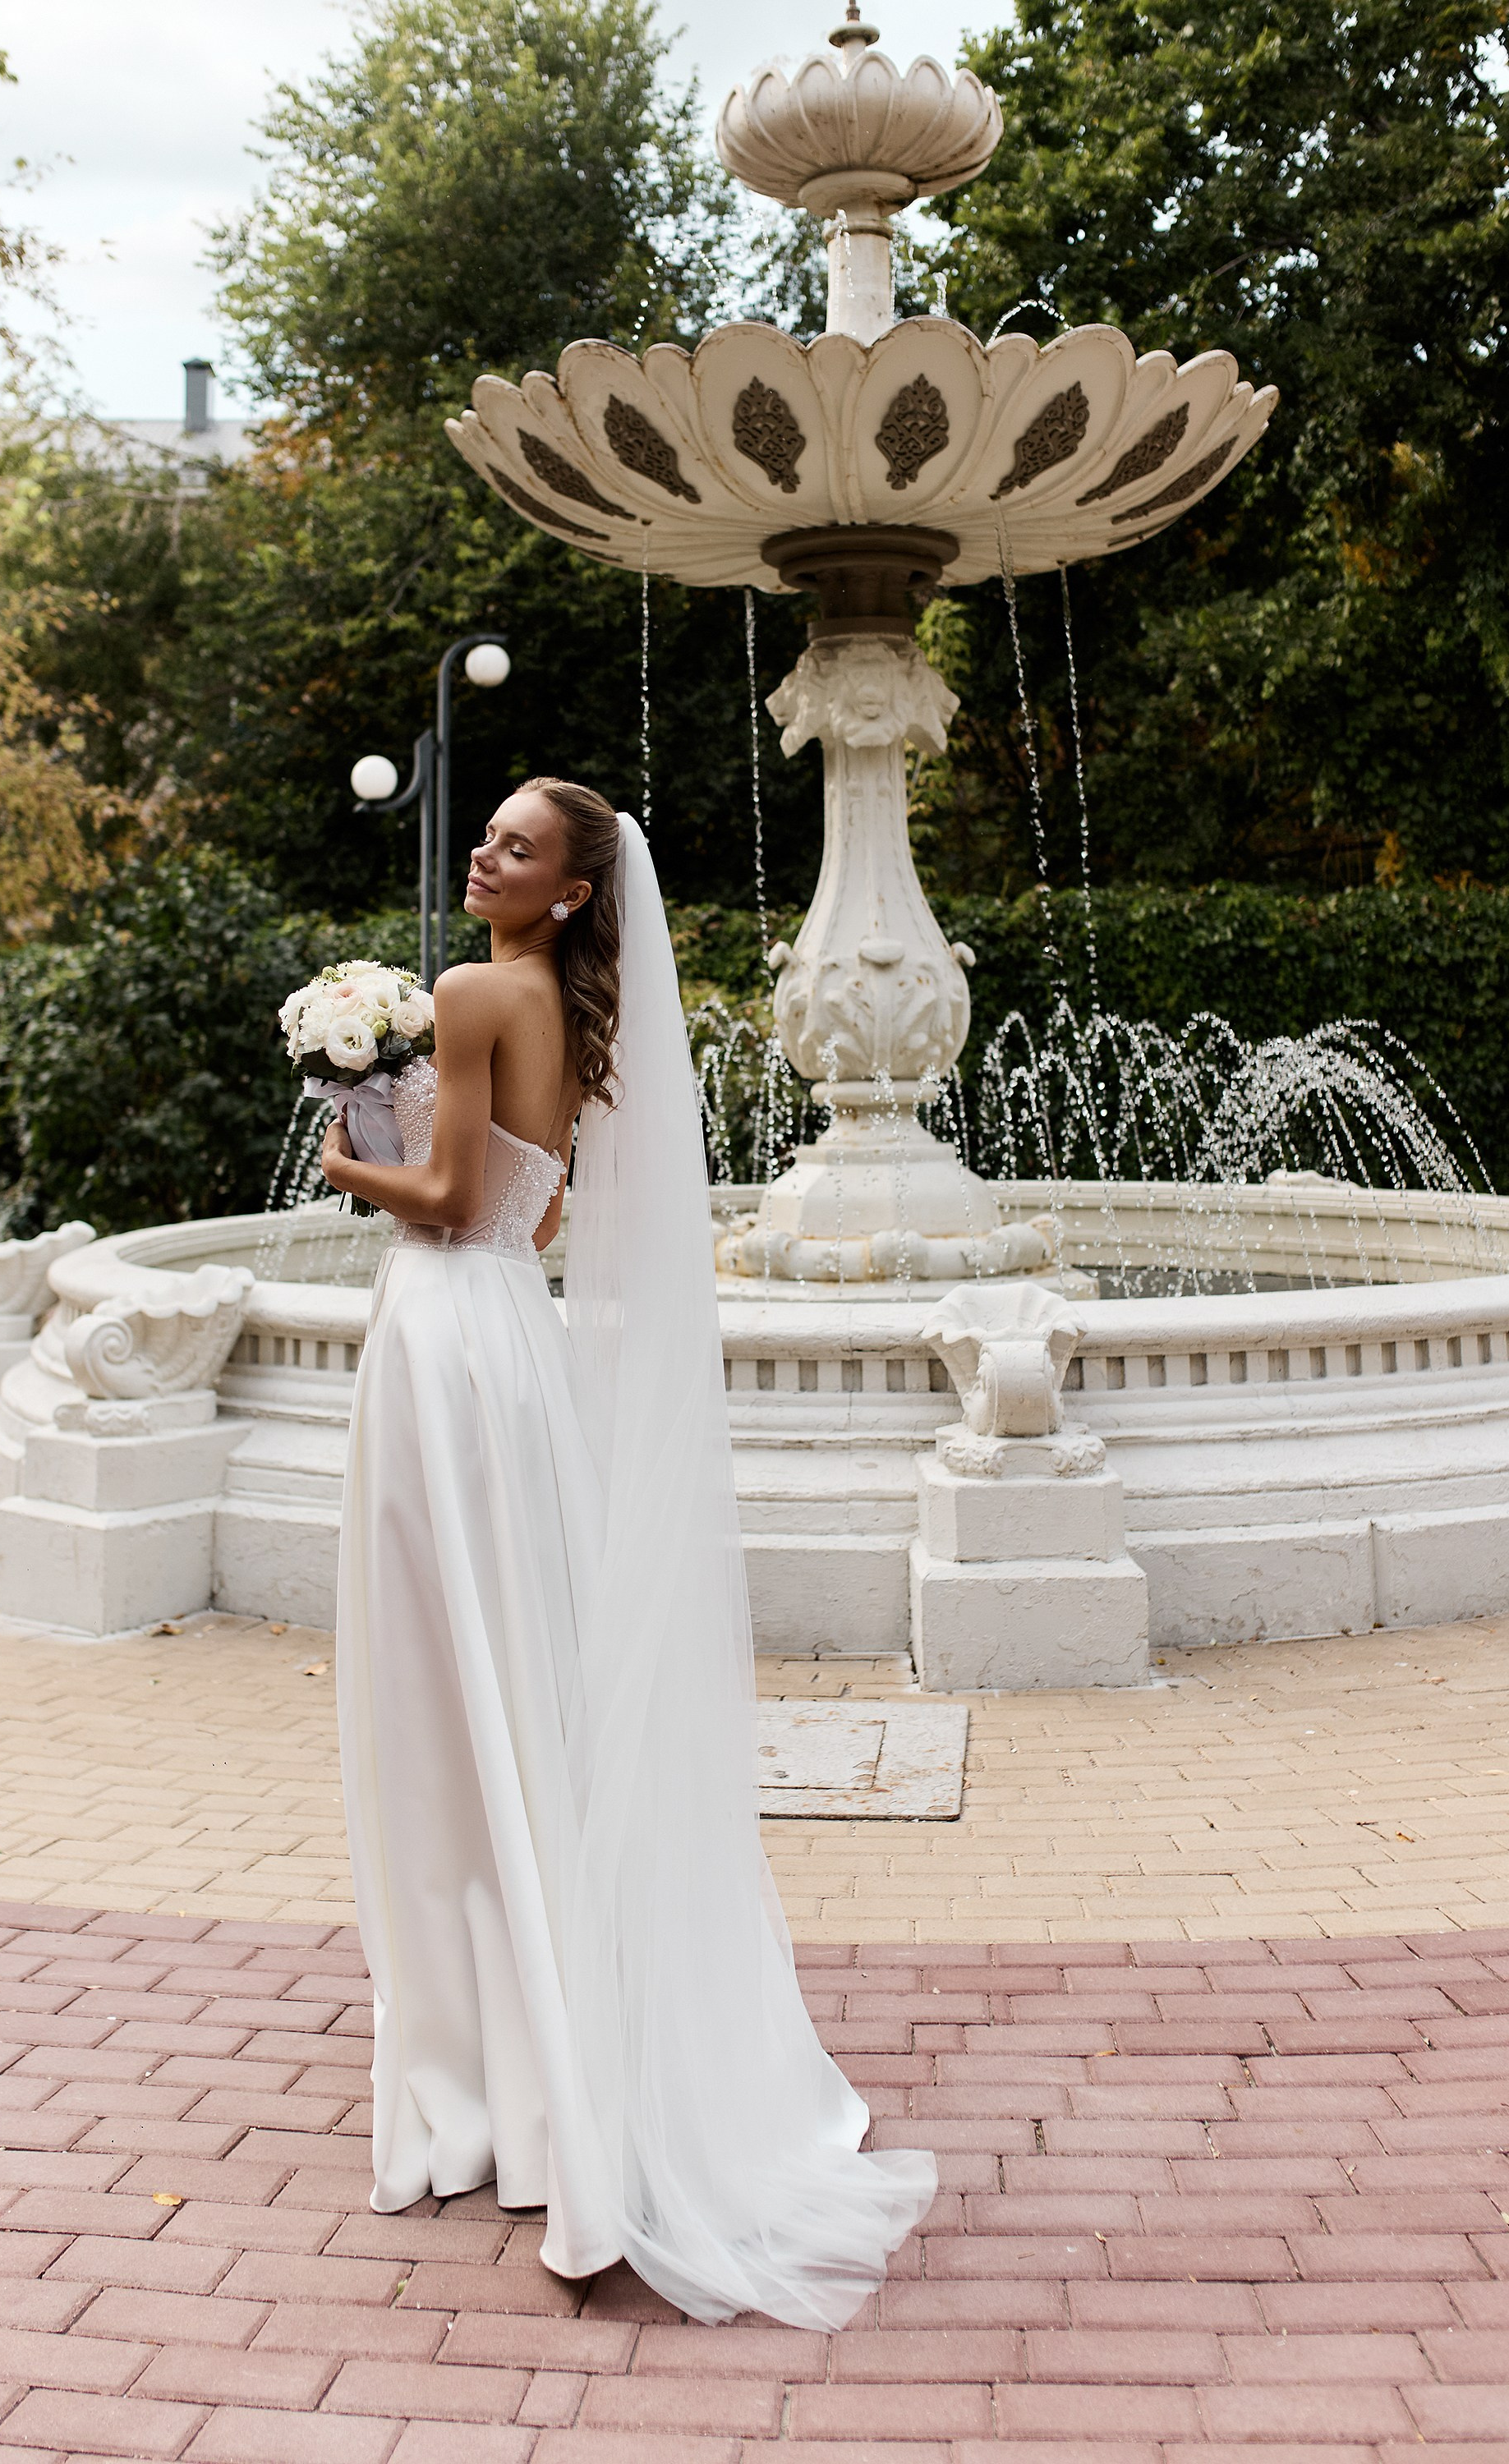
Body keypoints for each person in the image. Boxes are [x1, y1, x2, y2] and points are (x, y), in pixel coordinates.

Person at [321, 775, 935, 2327]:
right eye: (490, 836)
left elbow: (453, 1204)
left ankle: (489, 2076)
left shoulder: (468, 989)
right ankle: (543, 2057)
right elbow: (529, 1222)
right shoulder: (559, 1007)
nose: (486, 854)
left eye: (517, 846)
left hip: (442, 1342)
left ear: (576, 890)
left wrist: (351, 1150)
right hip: (509, 1352)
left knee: (441, 1695)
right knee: (524, 1687)